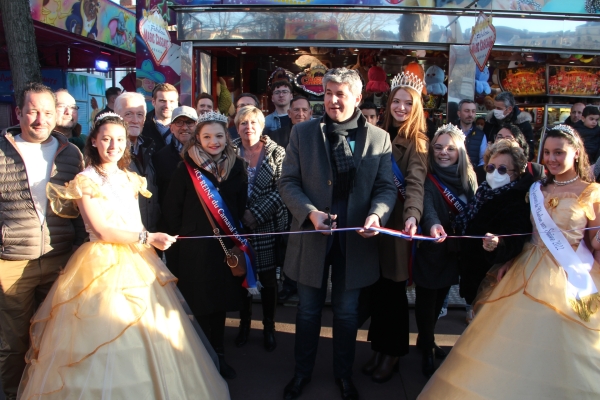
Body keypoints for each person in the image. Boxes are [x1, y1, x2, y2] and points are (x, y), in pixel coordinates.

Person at [18, 114, 230, 399]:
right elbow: (102, 229)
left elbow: (135, 222)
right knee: (101, 332)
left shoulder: (131, 178)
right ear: (94, 141)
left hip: (136, 259)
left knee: (152, 329)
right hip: (98, 264)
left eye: (118, 139)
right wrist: (148, 238)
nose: (112, 145)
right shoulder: (85, 179)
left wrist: (150, 239)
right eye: (105, 138)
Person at [419, 125, 600, 399]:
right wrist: (507, 256)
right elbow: (525, 232)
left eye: (559, 152)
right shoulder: (537, 189)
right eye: (547, 152)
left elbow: (593, 241)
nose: (551, 158)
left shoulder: (591, 192)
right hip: (524, 267)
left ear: (576, 153)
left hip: (568, 274)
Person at [279, 68, 397, 400]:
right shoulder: (303, 133)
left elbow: (386, 188)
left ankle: (343, 376)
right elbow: (288, 182)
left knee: (346, 314)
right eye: (328, 92)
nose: (332, 99)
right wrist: (310, 212)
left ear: (357, 98)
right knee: (307, 311)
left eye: (340, 93)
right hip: (311, 239)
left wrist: (376, 214)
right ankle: (301, 373)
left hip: (355, 243)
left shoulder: (378, 138)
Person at [0, 82, 86, 400]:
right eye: (33, 111)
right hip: (10, 262)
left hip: (58, 260)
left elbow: (78, 210)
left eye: (47, 112)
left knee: (54, 339)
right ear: (19, 111)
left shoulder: (71, 154)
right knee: (12, 343)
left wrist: (77, 251)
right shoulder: (1, 149)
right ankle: (13, 394)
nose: (40, 119)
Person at [162, 111, 247, 380]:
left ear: (227, 137)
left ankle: (219, 353)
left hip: (224, 248)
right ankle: (200, 355)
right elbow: (172, 211)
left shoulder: (237, 167)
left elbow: (239, 206)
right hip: (194, 250)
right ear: (197, 138)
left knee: (220, 303)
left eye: (219, 136)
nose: (214, 141)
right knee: (199, 303)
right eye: (207, 136)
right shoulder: (185, 168)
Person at [362, 71, 428, 384]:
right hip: (374, 224)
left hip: (397, 228)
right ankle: (379, 347)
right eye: (396, 101)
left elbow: (415, 183)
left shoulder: (418, 142)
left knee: (393, 295)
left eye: (407, 103)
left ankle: (393, 354)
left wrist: (413, 214)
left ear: (416, 108)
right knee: (377, 292)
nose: (401, 107)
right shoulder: (378, 133)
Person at [414, 124, 477, 378]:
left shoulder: (468, 179)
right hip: (432, 250)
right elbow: (426, 206)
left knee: (441, 299)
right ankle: (427, 346)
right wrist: (433, 224)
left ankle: (425, 340)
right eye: (438, 148)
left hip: (454, 252)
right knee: (426, 303)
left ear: (460, 152)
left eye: (450, 149)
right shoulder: (427, 177)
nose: (443, 153)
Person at [452, 140, 541, 320]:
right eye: (491, 168)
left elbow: (516, 238)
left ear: (516, 173)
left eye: (502, 169)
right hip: (473, 274)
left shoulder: (519, 201)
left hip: (495, 278)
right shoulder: (483, 192)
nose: (494, 173)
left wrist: (498, 244)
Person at [231, 106, 288, 352]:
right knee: (242, 277)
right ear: (237, 127)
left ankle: (269, 328)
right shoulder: (228, 150)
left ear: (262, 126)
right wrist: (239, 214)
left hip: (266, 225)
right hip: (236, 225)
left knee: (267, 280)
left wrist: (256, 213)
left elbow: (284, 189)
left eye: (253, 122)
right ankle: (244, 325)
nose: (248, 127)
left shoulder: (277, 152)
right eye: (243, 123)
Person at [152, 106, 198, 276]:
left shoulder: (207, 154)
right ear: (171, 127)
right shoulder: (159, 157)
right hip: (171, 228)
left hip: (199, 228)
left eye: (189, 123)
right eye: (178, 122)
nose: (184, 127)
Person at [114, 92, 160, 234]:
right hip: (123, 236)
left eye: (139, 115)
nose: (135, 120)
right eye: (129, 114)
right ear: (117, 116)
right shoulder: (109, 152)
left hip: (150, 232)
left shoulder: (151, 148)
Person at [483, 91, 534, 159]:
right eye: (495, 107)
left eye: (499, 108)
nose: (496, 111)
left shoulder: (523, 124)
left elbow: (530, 152)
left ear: (509, 109)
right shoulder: (490, 122)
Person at [141, 83, 179, 151]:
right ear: (153, 102)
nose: (167, 105)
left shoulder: (186, 127)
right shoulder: (142, 127)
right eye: (162, 101)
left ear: (177, 103)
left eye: (171, 101)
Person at [454, 99, 487, 167]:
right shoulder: (451, 132)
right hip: (453, 173)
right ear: (459, 113)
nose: (470, 114)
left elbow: (483, 159)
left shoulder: (481, 135)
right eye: (467, 111)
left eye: (473, 111)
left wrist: (475, 173)